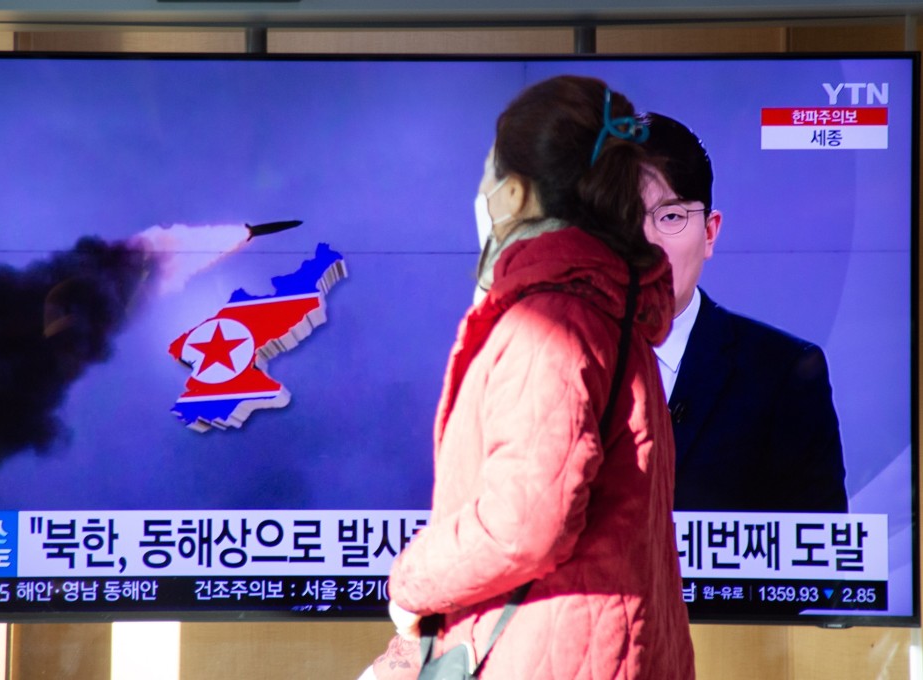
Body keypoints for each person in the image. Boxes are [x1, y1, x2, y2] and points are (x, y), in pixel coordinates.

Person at [361, 76, 694, 679]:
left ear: (514, 194)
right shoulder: (609, 309)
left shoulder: (550, 321)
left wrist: (410, 583)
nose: (482, 192)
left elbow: (525, 523)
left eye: (488, 174)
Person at [639, 112, 848, 512]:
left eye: (670, 217)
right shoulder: (548, 369)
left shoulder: (781, 375)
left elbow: (818, 563)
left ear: (709, 233)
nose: (647, 243)